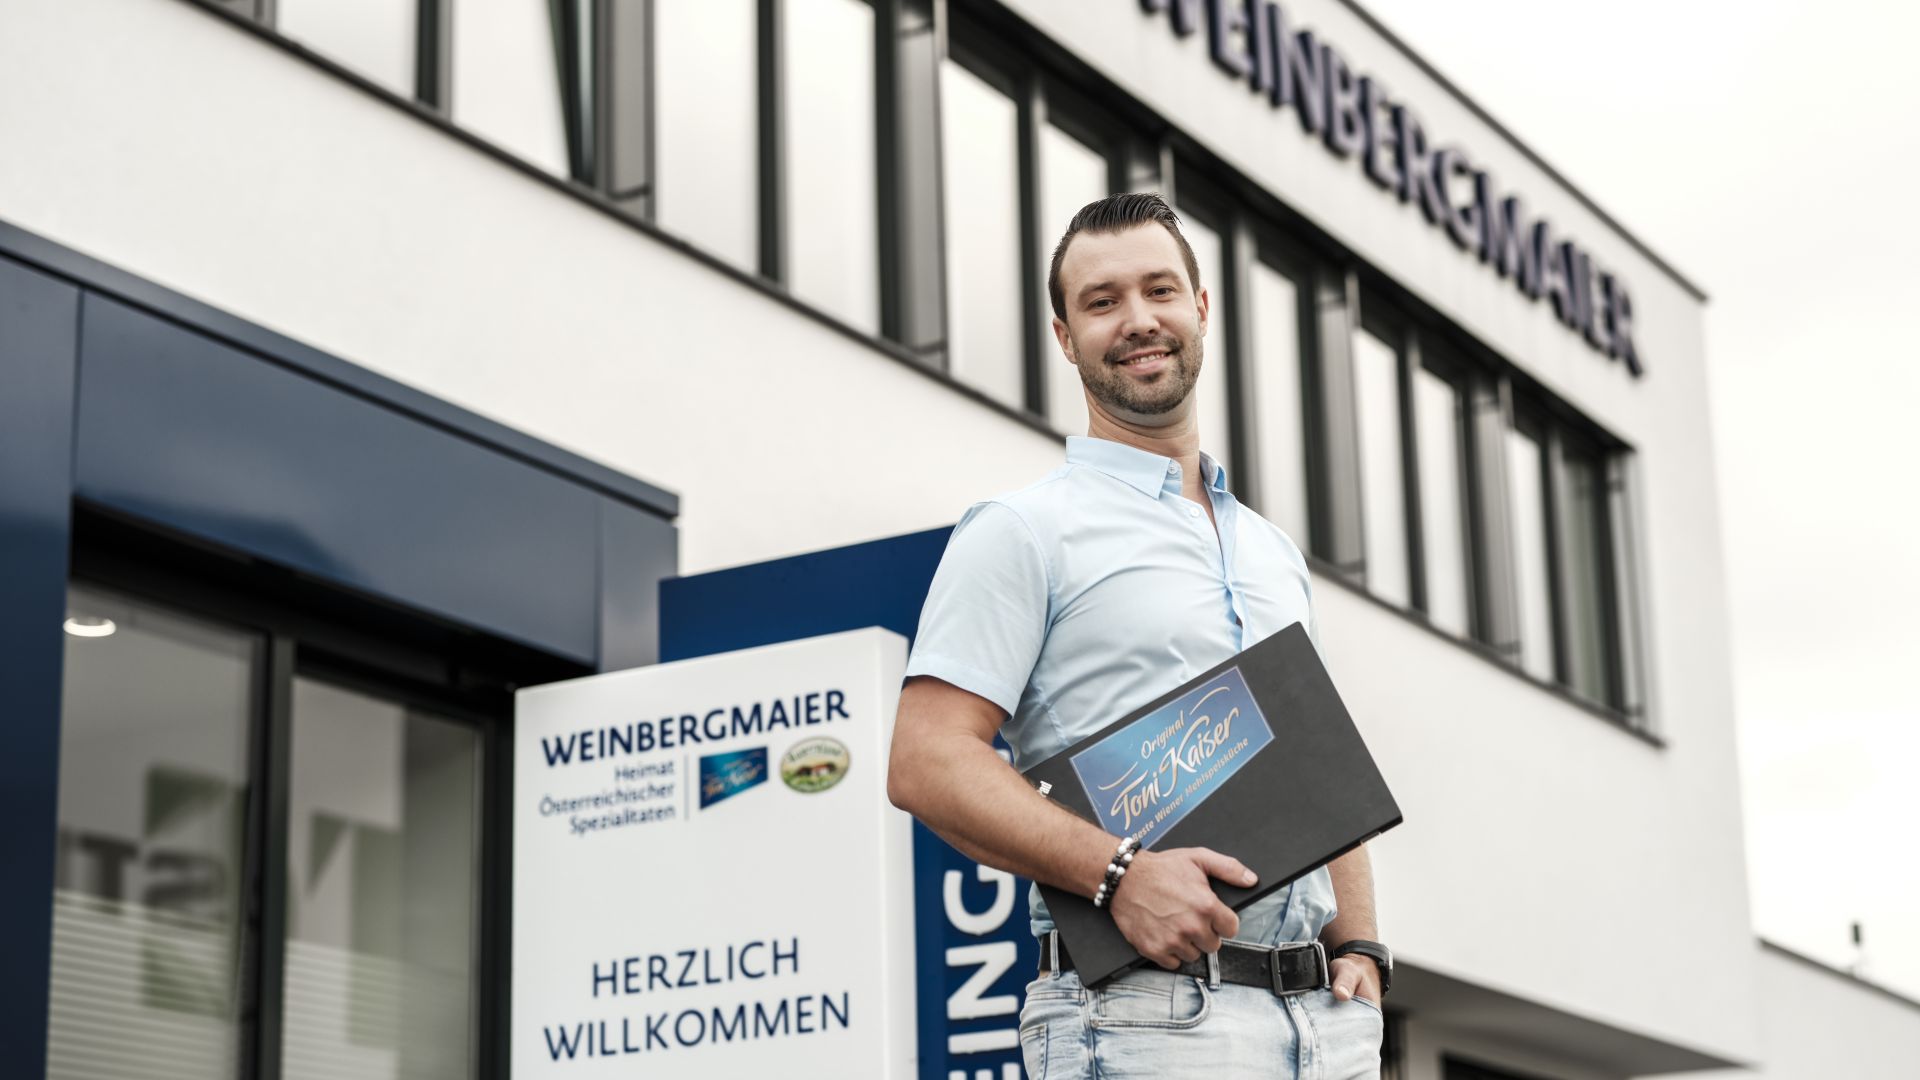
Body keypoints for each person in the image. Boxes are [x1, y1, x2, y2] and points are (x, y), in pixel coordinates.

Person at [887, 192, 1389, 1078]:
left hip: (1325, 1026)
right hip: (1144, 1022)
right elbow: (927, 760)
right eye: (1102, 300)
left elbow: (1320, 757)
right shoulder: (1022, 529)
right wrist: (1117, 874)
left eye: (1159, 290)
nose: (1137, 320)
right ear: (1064, 335)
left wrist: (1364, 951)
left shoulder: (1272, 551)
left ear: (1200, 309)